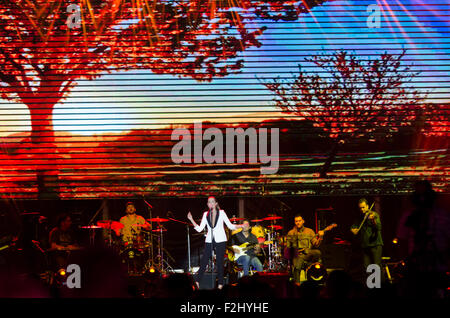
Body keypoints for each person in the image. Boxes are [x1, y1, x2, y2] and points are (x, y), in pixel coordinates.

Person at [187, 196, 244, 289]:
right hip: (210, 239)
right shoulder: (205, 214)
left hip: (221, 239)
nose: (211, 203)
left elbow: (230, 226)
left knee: (220, 262)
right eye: (209, 202)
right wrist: (191, 219)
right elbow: (200, 229)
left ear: (216, 203)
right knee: (204, 260)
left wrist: (241, 225)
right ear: (208, 204)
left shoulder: (221, 213)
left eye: (213, 201)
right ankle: (197, 281)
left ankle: (220, 284)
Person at [285, 214, 324, 284]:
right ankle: (297, 283)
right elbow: (288, 247)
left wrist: (320, 237)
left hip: (307, 254)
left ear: (303, 221)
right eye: (296, 221)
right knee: (298, 262)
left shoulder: (309, 231)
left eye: (299, 221)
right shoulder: (291, 233)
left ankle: (317, 277)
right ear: (294, 222)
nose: (298, 223)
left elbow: (316, 244)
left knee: (317, 252)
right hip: (297, 254)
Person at [350, 198, 383, 272]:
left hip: (375, 245)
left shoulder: (374, 214)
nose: (362, 209)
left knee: (377, 266)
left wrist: (372, 220)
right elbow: (354, 226)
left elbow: (379, 227)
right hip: (365, 245)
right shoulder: (360, 217)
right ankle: (368, 283)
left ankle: (380, 283)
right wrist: (353, 230)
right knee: (366, 267)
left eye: (363, 207)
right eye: (360, 208)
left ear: (368, 206)